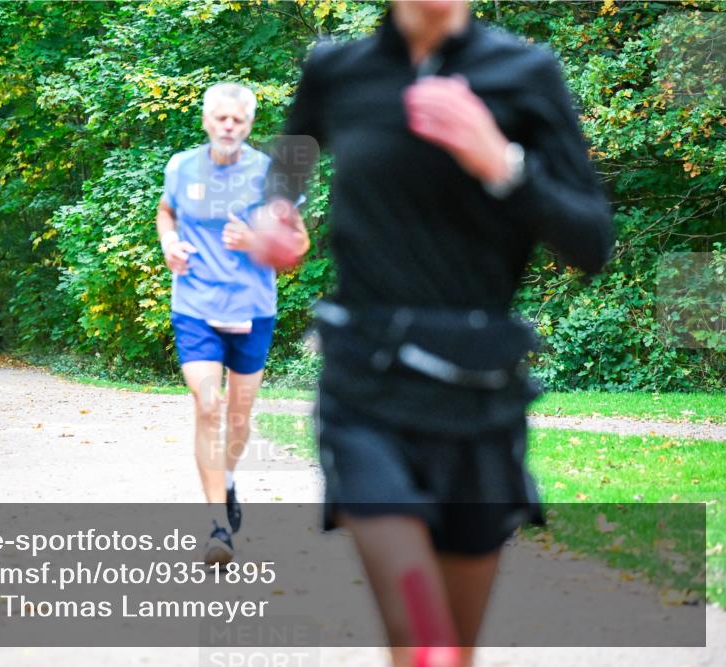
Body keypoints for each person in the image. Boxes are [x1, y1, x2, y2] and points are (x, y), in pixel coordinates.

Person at [257, 1, 613, 665]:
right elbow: (291, 160)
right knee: (426, 639)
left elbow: (592, 241)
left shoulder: (524, 73)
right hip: (367, 389)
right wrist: (279, 213)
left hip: (479, 400)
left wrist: (501, 162)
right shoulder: (339, 70)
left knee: (451, 647)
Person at [156, 83, 310, 566]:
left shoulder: (271, 176)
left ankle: (225, 479)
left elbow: (299, 246)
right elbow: (166, 213)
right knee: (208, 404)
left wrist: (258, 241)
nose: (228, 127)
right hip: (196, 306)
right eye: (220, 119)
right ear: (206, 121)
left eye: (238, 121)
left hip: (252, 309)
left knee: (239, 417)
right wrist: (169, 245)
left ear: (248, 125)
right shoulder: (182, 166)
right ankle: (217, 525)